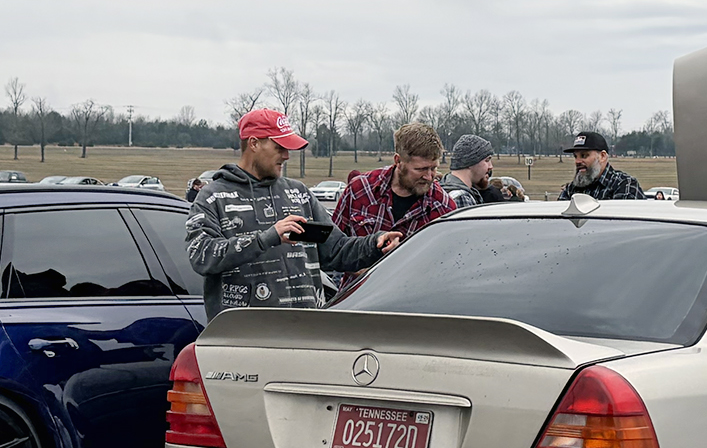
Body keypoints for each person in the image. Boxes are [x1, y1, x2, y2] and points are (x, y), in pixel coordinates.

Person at [186, 108, 402, 318]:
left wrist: (375, 244)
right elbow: (201, 256)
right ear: (254, 143)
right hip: (242, 338)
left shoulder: (298, 193)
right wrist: (265, 238)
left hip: (301, 334)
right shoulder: (212, 196)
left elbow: (336, 250)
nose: (287, 155)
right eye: (279, 147)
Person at [334, 124, 457, 289]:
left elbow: (448, 268)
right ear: (398, 161)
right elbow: (333, 247)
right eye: (420, 169)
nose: (429, 177)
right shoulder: (360, 190)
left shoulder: (443, 207)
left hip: (410, 304)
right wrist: (368, 271)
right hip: (357, 301)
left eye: (433, 168)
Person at [555, 130, 643, 201]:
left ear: (602, 156)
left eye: (584, 156)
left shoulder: (624, 184)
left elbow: (622, 221)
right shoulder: (571, 189)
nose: (577, 161)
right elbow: (559, 221)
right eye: (575, 156)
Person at [440, 134, 502, 208]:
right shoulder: (461, 198)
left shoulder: (444, 187)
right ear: (470, 161)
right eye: (487, 160)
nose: (490, 166)